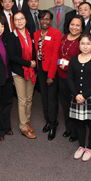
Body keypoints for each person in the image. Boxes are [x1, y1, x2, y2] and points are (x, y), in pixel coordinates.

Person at [68, 32, 91, 162]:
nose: (85, 46)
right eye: (82, 43)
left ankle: (90, 147)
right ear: (79, 45)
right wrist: (76, 94)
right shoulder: (73, 59)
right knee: (79, 122)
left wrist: (85, 95)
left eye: (88, 43)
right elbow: (70, 79)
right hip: (76, 96)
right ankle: (82, 146)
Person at [6, 11, 37, 139]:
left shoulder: (31, 34)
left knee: (29, 99)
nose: (19, 21)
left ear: (25, 20)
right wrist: (29, 63)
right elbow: (12, 56)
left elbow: (34, 52)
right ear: (14, 22)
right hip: (19, 71)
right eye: (17, 19)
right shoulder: (11, 36)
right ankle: (23, 127)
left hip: (31, 72)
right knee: (22, 100)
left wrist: (32, 66)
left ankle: (27, 121)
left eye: (21, 19)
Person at [34, 10, 62, 140]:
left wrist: (51, 75)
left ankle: (53, 124)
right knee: (43, 98)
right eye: (42, 19)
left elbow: (56, 54)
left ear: (51, 21)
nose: (44, 21)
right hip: (41, 70)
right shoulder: (36, 34)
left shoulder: (56, 33)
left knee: (51, 99)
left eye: (47, 19)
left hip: (51, 70)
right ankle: (47, 120)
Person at [58, 15, 83, 142]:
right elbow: (59, 54)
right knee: (65, 103)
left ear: (82, 28)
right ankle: (68, 128)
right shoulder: (63, 37)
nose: (74, 27)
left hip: (75, 78)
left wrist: (67, 66)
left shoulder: (82, 40)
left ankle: (75, 131)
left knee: (75, 105)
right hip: (61, 76)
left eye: (77, 25)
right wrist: (60, 63)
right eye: (72, 24)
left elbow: (82, 61)